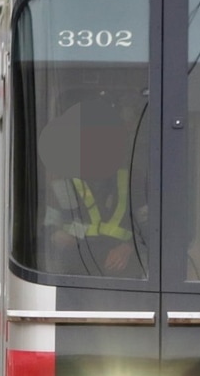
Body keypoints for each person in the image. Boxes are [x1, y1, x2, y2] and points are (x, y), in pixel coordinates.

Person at [38, 95, 145, 276]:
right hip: (73, 274)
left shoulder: (133, 179)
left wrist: (127, 248)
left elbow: (151, 228)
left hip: (124, 277)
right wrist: (56, 236)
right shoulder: (61, 180)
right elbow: (47, 225)